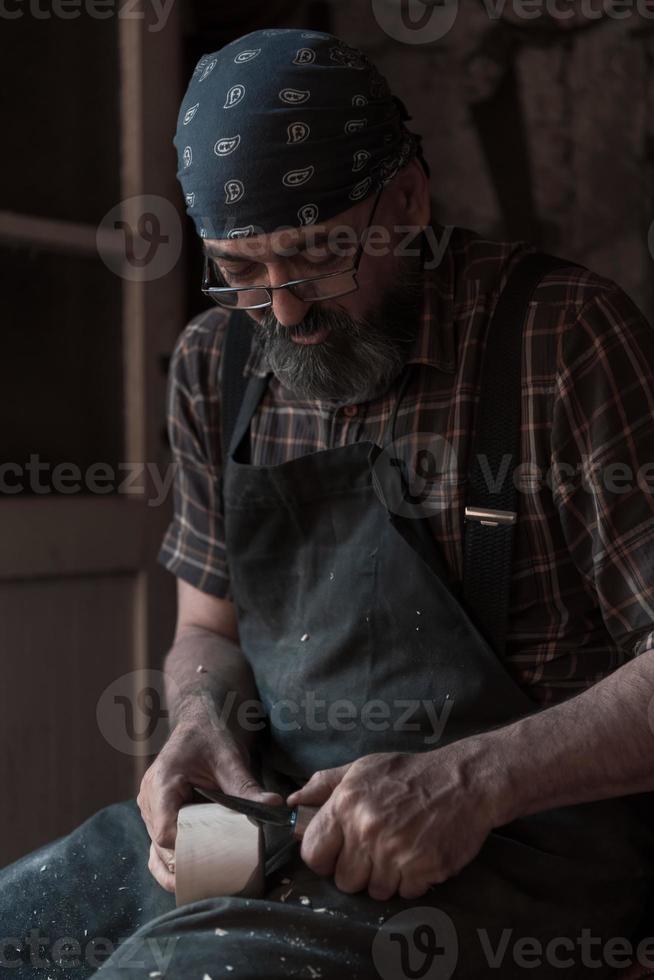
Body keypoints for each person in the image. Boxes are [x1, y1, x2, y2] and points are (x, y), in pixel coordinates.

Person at [2, 26, 654, 980]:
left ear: (407, 198)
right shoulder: (214, 361)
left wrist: (475, 778)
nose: (287, 311)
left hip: (517, 851)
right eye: (243, 269)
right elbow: (207, 629)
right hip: (278, 826)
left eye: (315, 257)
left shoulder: (559, 342)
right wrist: (195, 720)